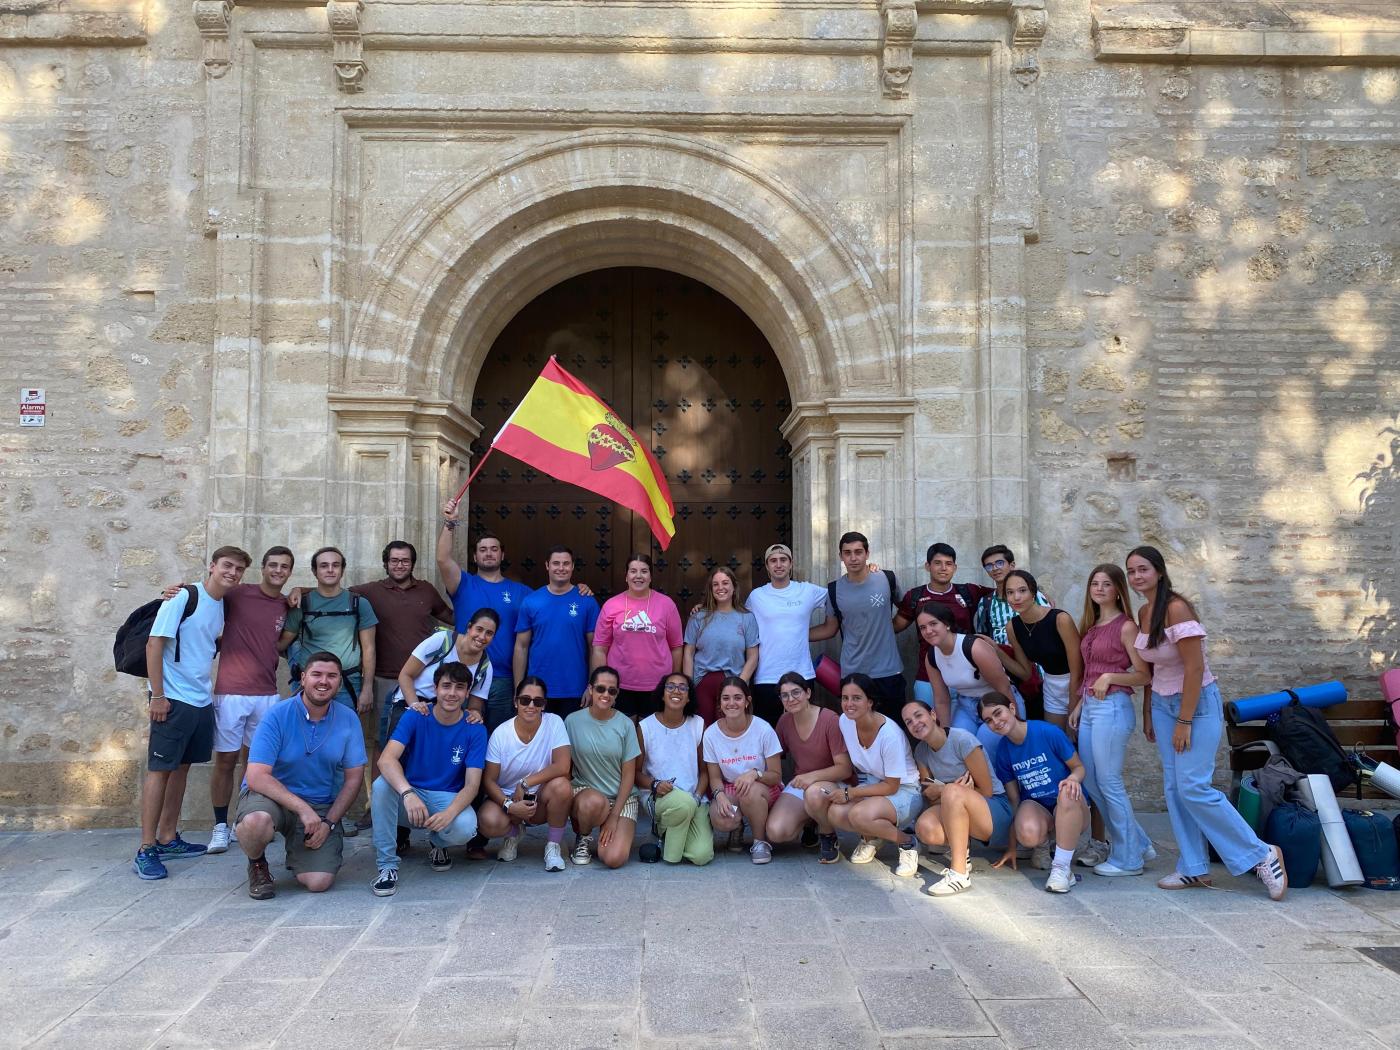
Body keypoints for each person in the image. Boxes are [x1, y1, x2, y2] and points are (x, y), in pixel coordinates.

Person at [1126, 545, 1287, 899]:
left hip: (1196, 706)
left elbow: (1195, 668)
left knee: (1194, 787)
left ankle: (1261, 853)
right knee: (1174, 787)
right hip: (1164, 707)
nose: (1137, 577)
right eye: (1132, 571)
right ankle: (1193, 866)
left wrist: (1184, 720)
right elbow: (1154, 669)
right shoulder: (1144, 610)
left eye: (1143, 569)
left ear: (1159, 572)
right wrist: (1149, 711)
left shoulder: (1175, 607)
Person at [161, 546, 293, 855]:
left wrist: (301, 589)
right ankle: (220, 827)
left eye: (284, 567)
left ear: (289, 572)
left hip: (267, 693)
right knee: (225, 761)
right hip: (231, 692)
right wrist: (172, 590)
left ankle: (244, 820)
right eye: (272, 565)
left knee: (257, 764)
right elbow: (205, 593)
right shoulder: (237, 594)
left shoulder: (288, 604)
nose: (277, 570)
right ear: (262, 568)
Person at [135, 545, 251, 880]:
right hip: (171, 699)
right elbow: (154, 644)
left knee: (182, 768)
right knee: (160, 770)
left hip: (200, 699)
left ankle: (168, 836)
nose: (232, 573)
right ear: (212, 565)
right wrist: (157, 695)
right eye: (227, 566)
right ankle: (146, 848)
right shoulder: (184, 597)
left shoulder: (219, 604)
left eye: (238, 569)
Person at [235, 652, 367, 899]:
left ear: (339, 682)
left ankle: (298, 853)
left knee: (318, 882)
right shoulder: (277, 715)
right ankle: (257, 863)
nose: (323, 681)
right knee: (256, 823)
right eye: (317, 674)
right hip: (270, 797)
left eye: (332, 676)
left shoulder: (348, 718)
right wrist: (302, 809)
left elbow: (353, 779)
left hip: (319, 802)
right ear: (304, 678)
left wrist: (328, 823)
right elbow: (256, 776)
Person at [368, 662, 488, 895]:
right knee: (381, 786)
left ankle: (439, 843)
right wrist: (407, 793)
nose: (452, 693)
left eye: (459, 687)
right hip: (411, 797)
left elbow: (473, 785)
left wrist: (449, 814)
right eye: (446, 686)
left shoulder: (475, 728)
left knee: (465, 827)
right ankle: (387, 867)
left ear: (467, 692)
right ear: (435, 688)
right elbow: (386, 760)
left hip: (445, 797)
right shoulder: (416, 716)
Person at [349, 539, 453, 802]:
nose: (399, 565)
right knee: (381, 743)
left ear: (413, 564)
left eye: (405, 560)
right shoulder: (371, 591)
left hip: (422, 683)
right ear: (386, 563)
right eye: (394, 560)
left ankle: (415, 802)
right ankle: (375, 806)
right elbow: (335, 594)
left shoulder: (427, 591)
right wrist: (300, 590)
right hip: (385, 680)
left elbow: (451, 616)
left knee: (419, 744)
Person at [1075, 563, 1155, 877]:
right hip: (1091, 708)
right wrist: (1080, 704)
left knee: (1108, 781)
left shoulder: (1126, 627)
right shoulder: (1092, 626)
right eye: (1095, 583)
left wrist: (1109, 676)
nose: (1099, 589)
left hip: (1113, 707)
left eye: (1106, 584)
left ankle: (1128, 859)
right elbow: (1089, 671)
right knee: (1092, 781)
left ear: (1118, 590)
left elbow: (1144, 674)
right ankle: (1140, 843)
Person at [804, 674, 922, 875]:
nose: (849, 704)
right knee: (835, 813)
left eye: (856, 698)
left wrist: (850, 794)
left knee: (858, 814)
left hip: (904, 791)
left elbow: (892, 786)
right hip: (874, 785)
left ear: (870, 702)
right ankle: (872, 837)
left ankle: (907, 842)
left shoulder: (889, 735)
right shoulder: (845, 721)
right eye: (844, 698)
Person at [437, 500, 532, 733]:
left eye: (493, 549)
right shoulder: (463, 583)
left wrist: (579, 589)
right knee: (463, 736)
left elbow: (553, 601)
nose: (488, 553)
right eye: (483, 549)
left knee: (499, 739)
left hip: (504, 678)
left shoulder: (522, 592)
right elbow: (442, 559)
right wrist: (450, 522)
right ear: (475, 556)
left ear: (502, 554)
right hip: (464, 676)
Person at [980, 692, 1090, 894]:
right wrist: (1012, 845)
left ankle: (1062, 869)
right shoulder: (1004, 750)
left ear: (1012, 709)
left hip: (1071, 805)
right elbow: (1014, 799)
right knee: (1027, 831)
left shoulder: (1047, 732)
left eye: (998, 713)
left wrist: (1073, 779)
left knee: (1066, 790)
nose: (995, 722)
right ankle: (1045, 845)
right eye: (989, 720)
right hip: (1039, 808)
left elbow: (1079, 768)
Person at [902, 700, 1012, 896]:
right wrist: (950, 792)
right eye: (909, 722)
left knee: (952, 792)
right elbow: (931, 796)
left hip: (994, 809)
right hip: (959, 805)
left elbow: (986, 791)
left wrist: (948, 790)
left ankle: (959, 874)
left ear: (933, 715)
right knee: (925, 827)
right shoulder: (921, 751)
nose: (915, 723)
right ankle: (964, 854)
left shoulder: (962, 740)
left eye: (919, 715)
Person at [478, 677, 575, 871]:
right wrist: (510, 805)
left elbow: (563, 766)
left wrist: (524, 783)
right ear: (515, 702)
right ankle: (513, 832)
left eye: (537, 701)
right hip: (507, 798)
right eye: (525, 700)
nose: (531, 705)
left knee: (562, 786)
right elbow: (489, 780)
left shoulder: (554, 722)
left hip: (539, 798)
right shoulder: (501, 733)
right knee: (488, 822)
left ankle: (553, 846)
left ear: (543, 705)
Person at [808, 532, 905, 716]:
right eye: (847, 553)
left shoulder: (886, 578)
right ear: (841, 556)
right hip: (853, 674)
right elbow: (830, 628)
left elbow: (907, 610)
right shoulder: (834, 589)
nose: (853, 558)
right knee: (857, 731)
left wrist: (891, 628)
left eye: (858, 552)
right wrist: (793, 635)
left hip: (889, 671)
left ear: (867, 554)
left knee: (895, 729)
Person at [916, 605, 1022, 759]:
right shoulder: (931, 656)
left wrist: (1016, 723)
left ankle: (995, 783)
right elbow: (941, 700)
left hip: (997, 702)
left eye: (933, 624)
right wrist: (945, 736)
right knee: (959, 742)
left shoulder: (973, 647)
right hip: (966, 705)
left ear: (947, 624)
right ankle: (969, 782)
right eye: (923, 627)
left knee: (986, 742)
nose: (928, 631)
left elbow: (1003, 687)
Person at [893, 543, 991, 709]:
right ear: (927, 566)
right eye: (937, 563)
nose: (943, 568)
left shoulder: (969, 592)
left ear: (955, 567)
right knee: (930, 728)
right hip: (928, 678)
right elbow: (894, 627)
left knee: (964, 731)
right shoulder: (915, 596)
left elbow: (1005, 591)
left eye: (948, 563)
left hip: (966, 678)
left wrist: (1037, 591)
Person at [768, 671, 853, 858]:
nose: (791, 699)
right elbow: (772, 756)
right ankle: (811, 821)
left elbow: (844, 768)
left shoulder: (829, 719)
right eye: (785, 695)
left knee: (814, 793)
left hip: (832, 783)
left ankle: (827, 833)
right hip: (802, 784)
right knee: (776, 831)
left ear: (808, 693)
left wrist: (811, 777)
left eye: (796, 692)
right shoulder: (784, 721)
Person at [591, 553, 684, 719]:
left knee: (650, 740)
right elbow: (599, 649)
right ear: (626, 576)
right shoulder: (612, 605)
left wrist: (672, 681)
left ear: (651, 576)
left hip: (657, 686)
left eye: (644, 571)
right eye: (633, 571)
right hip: (618, 686)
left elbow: (676, 647)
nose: (638, 576)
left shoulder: (666, 605)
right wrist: (601, 685)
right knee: (622, 738)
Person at [566, 666, 641, 868]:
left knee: (613, 858)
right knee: (592, 802)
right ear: (590, 689)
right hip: (587, 792)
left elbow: (629, 775)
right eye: (600, 689)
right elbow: (565, 766)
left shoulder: (626, 724)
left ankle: (605, 836)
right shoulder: (572, 721)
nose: (605, 694)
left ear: (617, 694)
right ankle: (583, 836)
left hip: (622, 797)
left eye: (612, 690)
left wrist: (614, 816)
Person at [745, 543, 829, 725]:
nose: (779, 564)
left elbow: (842, 597)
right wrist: (703, 609)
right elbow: (738, 622)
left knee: (804, 734)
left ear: (791, 564)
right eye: (773, 561)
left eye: (783, 560)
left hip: (802, 674)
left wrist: (870, 572)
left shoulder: (807, 590)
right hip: (767, 677)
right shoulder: (756, 596)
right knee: (769, 738)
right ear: (767, 566)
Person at [703, 676, 783, 864]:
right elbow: (714, 777)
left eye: (738, 698)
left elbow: (776, 776)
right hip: (731, 787)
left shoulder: (763, 729)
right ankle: (737, 827)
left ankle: (759, 841)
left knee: (750, 791)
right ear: (720, 703)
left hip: (764, 787)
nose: (732, 703)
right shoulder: (711, 734)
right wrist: (719, 796)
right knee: (722, 819)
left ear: (747, 701)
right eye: (726, 698)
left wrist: (755, 773)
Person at [514, 546, 600, 719]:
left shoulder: (587, 601)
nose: (561, 568)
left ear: (573, 566)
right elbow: (521, 647)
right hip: (537, 689)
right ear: (547, 566)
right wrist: (519, 689)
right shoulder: (531, 601)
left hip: (575, 689)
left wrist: (592, 687)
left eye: (566, 563)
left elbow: (594, 648)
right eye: (556, 563)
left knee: (571, 744)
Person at [636, 673, 713, 865]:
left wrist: (696, 797)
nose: (676, 691)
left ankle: (666, 836)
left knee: (701, 855)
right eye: (670, 687)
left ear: (688, 697)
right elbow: (635, 774)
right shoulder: (645, 727)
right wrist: (654, 784)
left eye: (682, 687)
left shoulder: (698, 724)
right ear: (662, 694)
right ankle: (671, 851)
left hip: (693, 798)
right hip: (659, 797)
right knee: (681, 804)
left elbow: (705, 772)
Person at [1000, 569, 1082, 731]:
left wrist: (1073, 707)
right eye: (1010, 592)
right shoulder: (1012, 627)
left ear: (1033, 593)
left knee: (1077, 741)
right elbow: (1025, 673)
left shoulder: (1060, 619)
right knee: (1055, 742)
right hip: (1051, 687)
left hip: (1076, 686)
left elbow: (1078, 671)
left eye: (1022, 591)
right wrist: (996, 651)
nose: (1016, 597)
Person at [393, 608, 497, 733]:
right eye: (479, 629)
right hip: (409, 702)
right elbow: (405, 675)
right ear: (469, 627)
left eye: (489, 633)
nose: (482, 637)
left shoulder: (485, 667)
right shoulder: (442, 640)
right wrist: (415, 705)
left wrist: (475, 713)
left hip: (445, 714)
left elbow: (475, 706)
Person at [682, 567, 759, 725]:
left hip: (732, 683)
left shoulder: (747, 618)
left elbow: (753, 656)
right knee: (702, 731)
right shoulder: (698, 617)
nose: (720, 588)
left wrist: (740, 685)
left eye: (725, 583)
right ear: (711, 589)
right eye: (715, 584)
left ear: (733, 587)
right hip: (702, 683)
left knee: (729, 731)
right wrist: (688, 685)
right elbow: (688, 653)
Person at [972, 544, 1048, 645]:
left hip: (1034, 656)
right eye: (989, 566)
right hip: (1000, 657)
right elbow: (983, 636)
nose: (994, 568)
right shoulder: (986, 602)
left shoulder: (1034, 596)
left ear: (1011, 565)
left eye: (999, 563)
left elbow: (1048, 628)